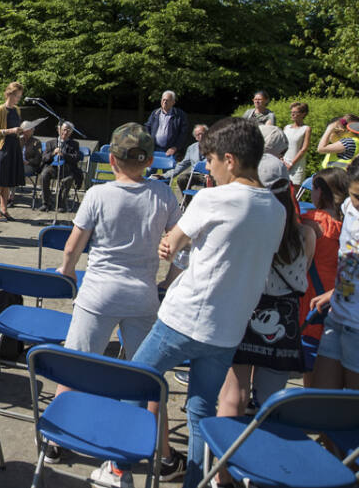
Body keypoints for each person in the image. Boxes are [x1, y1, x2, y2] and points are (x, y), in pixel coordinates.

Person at [130, 117, 285, 488]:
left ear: (229, 160)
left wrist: (171, 244)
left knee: (133, 383)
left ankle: (122, 464)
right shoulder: (277, 210)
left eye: (211, 161)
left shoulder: (213, 198)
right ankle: (196, 481)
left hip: (184, 319)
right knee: (200, 411)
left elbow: (173, 242)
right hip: (227, 330)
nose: (208, 169)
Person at [51, 123, 184, 480]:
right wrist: (168, 282)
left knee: (75, 365)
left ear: (111, 159)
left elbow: (73, 246)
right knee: (148, 378)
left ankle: (56, 440)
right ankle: (165, 456)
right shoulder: (163, 194)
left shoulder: (98, 194)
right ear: (150, 161)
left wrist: (67, 272)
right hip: (142, 295)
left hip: (98, 293)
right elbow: (182, 246)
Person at [214, 155, 315, 486]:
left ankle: (222, 475)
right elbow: (300, 277)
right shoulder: (306, 234)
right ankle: (262, 474)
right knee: (272, 405)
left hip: (244, 312)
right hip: (285, 322)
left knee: (233, 396)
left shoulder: (244, 228)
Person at [309, 159, 359, 392]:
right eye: (355, 195)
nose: (358, 203)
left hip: (356, 327)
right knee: (322, 400)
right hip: (337, 316)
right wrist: (334, 291)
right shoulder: (349, 207)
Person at [299, 168, 348, 387]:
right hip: (337, 302)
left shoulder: (310, 221)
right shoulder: (348, 225)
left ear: (320, 192)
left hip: (311, 303)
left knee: (309, 368)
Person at [0, 81, 25, 222]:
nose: (18, 99)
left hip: (13, 147)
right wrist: (10, 130)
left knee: (7, 180)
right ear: (10, 94)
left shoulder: (17, 110)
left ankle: (4, 209)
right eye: (17, 96)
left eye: (20, 96)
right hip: (2, 148)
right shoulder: (0, 109)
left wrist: (21, 130)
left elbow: (17, 127)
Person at [38, 120, 83, 212]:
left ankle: (61, 204)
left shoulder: (74, 144)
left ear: (71, 132)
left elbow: (76, 158)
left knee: (68, 179)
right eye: (64, 129)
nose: (65, 132)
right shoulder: (50, 143)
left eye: (68, 130)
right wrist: (53, 153)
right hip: (52, 167)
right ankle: (46, 203)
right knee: (43, 176)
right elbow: (44, 158)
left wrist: (64, 154)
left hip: (67, 168)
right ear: (59, 130)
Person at [152, 124, 207, 194]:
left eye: (202, 134)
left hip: (211, 175)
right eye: (198, 135)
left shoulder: (215, 146)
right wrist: (165, 175)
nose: (201, 136)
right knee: (182, 179)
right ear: (195, 137)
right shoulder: (191, 148)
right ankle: (187, 200)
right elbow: (182, 165)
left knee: (210, 182)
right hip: (196, 175)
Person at [144, 90, 189, 157]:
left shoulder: (180, 115)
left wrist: (175, 147)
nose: (165, 102)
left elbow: (183, 133)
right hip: (154, 148)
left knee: (169, 164)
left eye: (167, 100)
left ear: (173, 102)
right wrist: (149, 142)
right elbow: (147, 127)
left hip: (171, 150)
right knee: (152, 164)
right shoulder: (155, 113)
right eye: (163, 100)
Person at [283, 101, 312, 186]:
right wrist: (281, 160)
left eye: (295, 112)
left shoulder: (306, 129)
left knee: (294, 192)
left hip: (297, 165)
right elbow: (281, 145)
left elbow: (304, 149)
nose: (292, 114)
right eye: (291, 112)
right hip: (283, 164)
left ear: (303, 114)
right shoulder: (286, 128)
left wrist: (291, 164)